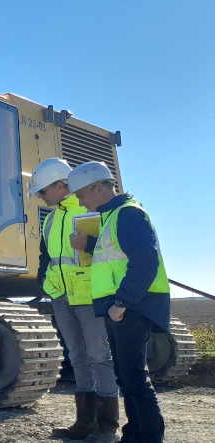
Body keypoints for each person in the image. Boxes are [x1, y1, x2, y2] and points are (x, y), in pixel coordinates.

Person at [68, 161, 170, 443]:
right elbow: (117, 255)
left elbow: (145, 262)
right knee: (127, 377)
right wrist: (89, 245)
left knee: (135, 378)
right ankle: (135, 434)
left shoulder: (127, 214)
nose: (79, 200)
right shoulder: (113, 216)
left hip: (131, 305)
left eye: (81, 194)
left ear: (98, 187)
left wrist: (122, 302)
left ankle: (149, 437)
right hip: (122, 305)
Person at [31, 158, 119, 441]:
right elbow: (48, 258)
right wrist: (45, 284)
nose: (40, 197)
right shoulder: (52, 218)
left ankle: (107, 426)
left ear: (60, 185)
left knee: (99, 357)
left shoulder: (87, 210)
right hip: (62, 296)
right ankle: (85, 422)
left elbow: (103, 254)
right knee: (78, 358)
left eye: (43, 191)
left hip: (89, 295)